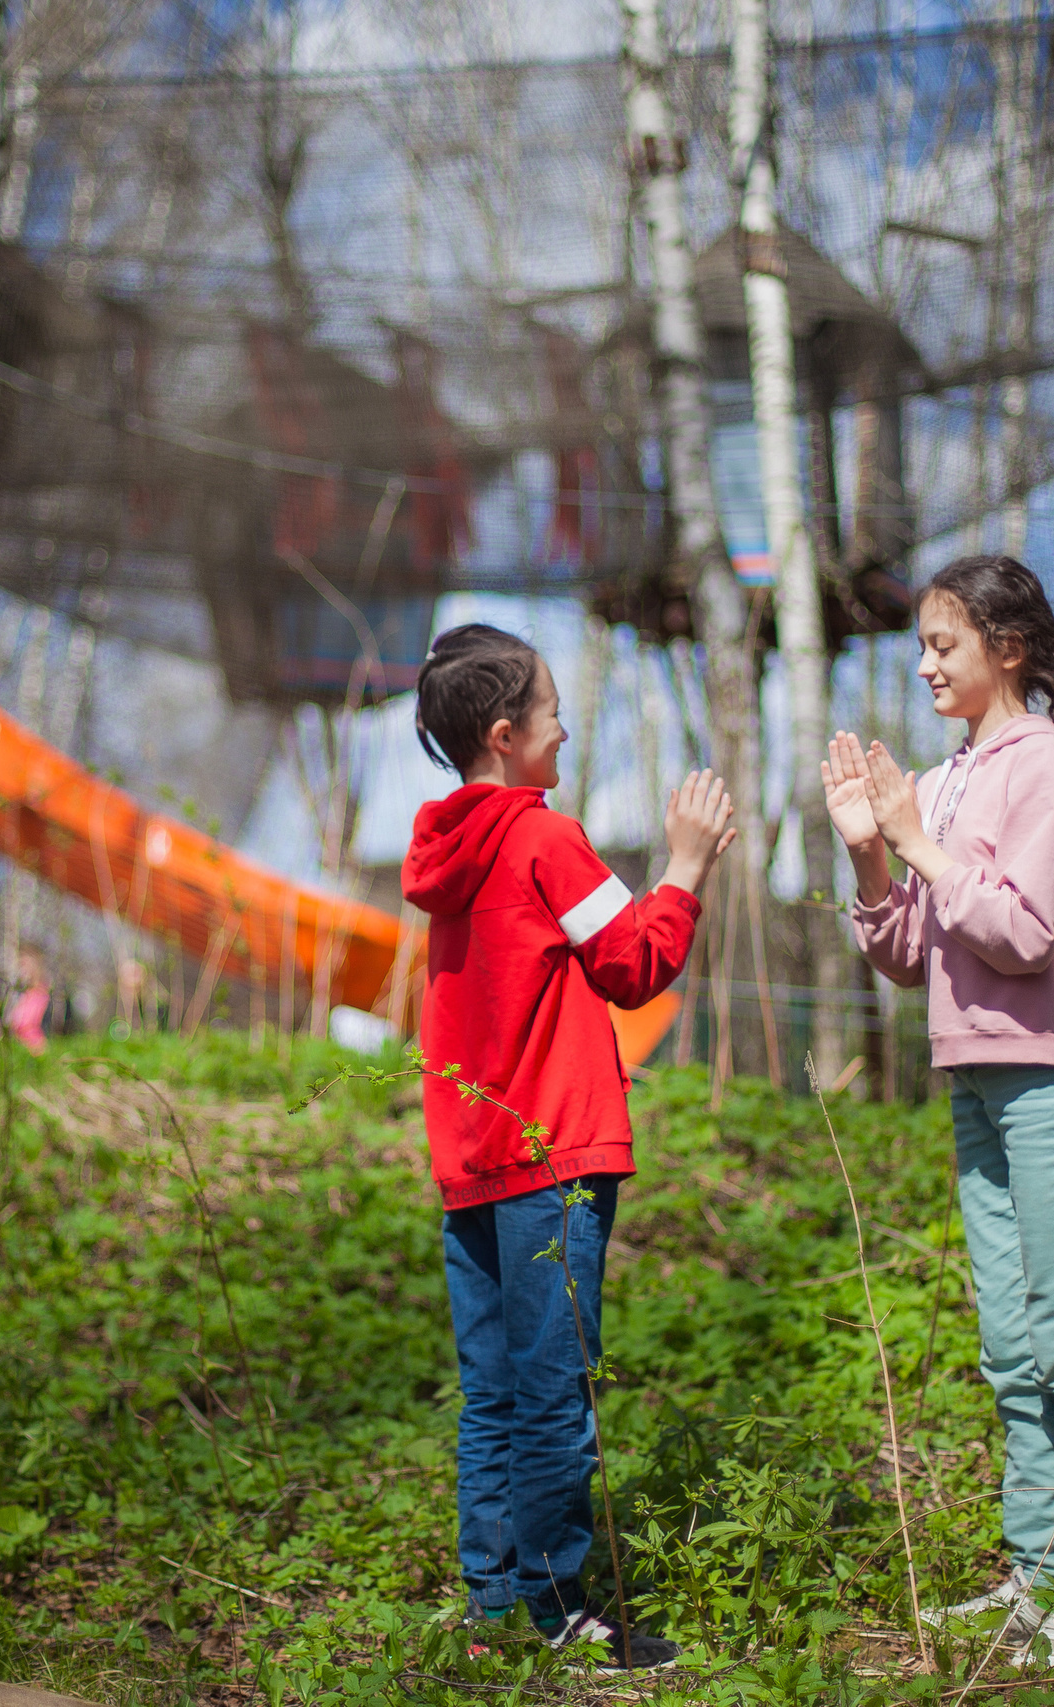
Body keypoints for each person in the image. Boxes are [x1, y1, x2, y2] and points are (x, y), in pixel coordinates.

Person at [400, 622, 737, 1672]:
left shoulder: (444, 852)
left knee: (494, 1389)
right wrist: (682, 867)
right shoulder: (546, 838)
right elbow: (633, 964)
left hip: (472, 1164)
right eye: (552, 713)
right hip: (554, 1160)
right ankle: (557, 1613)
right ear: (505, 736)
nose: (564, 729)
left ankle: (495, 1605)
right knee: (552, 1389)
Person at [820, 555, 1054, 1666]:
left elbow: (1020, 932)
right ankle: (1035, 1575)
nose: (923, 667)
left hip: (1050, 1077)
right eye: (920, 647)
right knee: (1009, 1341)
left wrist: (913, 840)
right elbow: (911, 953)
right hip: (975, 1080)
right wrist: (871, 852)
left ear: (1007, 650)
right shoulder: (950, 778)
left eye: (942, 646)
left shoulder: (1041, 767)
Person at [7, 944, 52, 1052]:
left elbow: (26, 1024)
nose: (21, 970)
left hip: (36, 1049)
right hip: (19, 1048)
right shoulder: (22, 994)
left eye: (24, 965)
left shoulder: (43, 993)